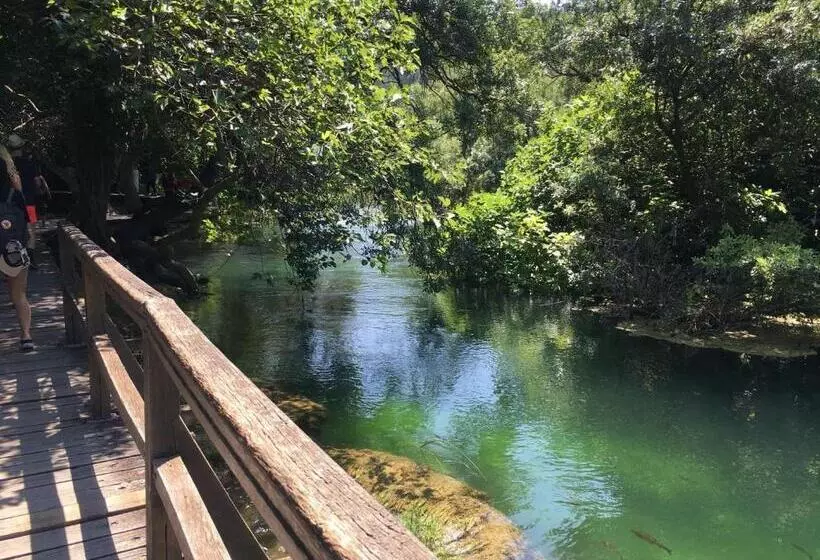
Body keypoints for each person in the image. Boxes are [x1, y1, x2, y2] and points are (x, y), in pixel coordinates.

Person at [0, 143, 33, 352]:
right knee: (19, 294)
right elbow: (27, 219)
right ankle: (26, 336)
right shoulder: (14, 190)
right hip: (12, 246)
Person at [8, 134, 46, 269]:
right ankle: (30, 257)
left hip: (11, 204)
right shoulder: (30, 164)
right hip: (29, 201)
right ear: (22, 147)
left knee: (12, 230)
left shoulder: (7, 166)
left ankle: (13, 259)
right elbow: (37, 182)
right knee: (31, 229)